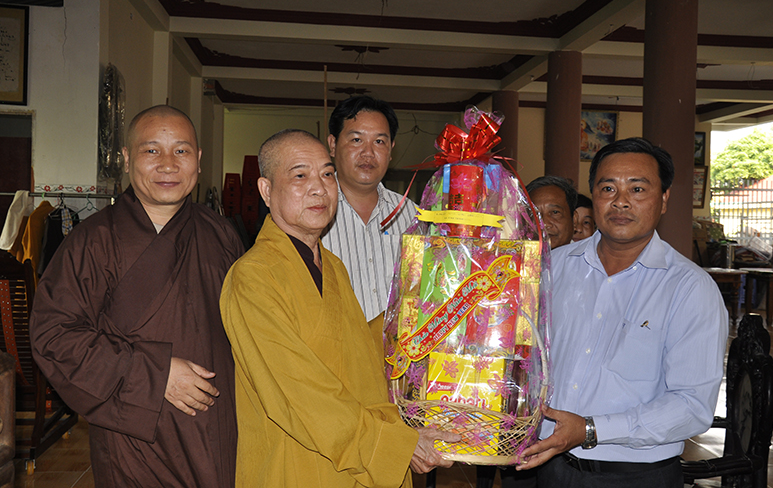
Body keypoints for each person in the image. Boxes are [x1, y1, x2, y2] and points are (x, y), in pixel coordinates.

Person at [220, 129, 458, 488]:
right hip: (297, 465)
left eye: (327, 174)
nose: (319, 188)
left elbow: (353, 349)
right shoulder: (252, 277)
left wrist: (427, 312)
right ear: (266, 191)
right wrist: (393, 446)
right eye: (300, 176)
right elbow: (299, 395)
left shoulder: (331, 265)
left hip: (350, 465)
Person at [30, 105, 244, 487]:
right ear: (128, 159)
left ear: (198, 159)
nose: (168, 164)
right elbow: (53, 336)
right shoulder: (93, 240)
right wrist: (156, 375)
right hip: (136, 440)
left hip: (218, 430)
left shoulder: (221, 233)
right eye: (151, 150)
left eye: (181, 150)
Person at [516, 138, 728, 488]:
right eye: (608, 188)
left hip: (635, 476)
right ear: (593, 197)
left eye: (638, 189)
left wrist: (590, 429)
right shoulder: (551, 268)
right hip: (550, 467)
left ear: (664, 199)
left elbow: (692, 406)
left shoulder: (690, 288)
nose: (621, 201)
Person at [322, 95, 417, 328]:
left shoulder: (410, 214)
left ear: (391, 149)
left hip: (401, 347)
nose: (368, 153)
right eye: (356, 140)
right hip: (337, 346)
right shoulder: (313, 211)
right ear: (333, 145)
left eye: (379, 142)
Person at [526, 176, 578, 249]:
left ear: (574, 220)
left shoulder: (591, 255)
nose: (544, 224)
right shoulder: (513, 255)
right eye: (534, 214)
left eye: (555, 212)